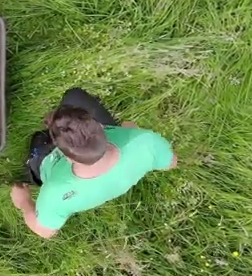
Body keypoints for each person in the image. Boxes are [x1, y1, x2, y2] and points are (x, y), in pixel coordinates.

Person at [9, 88, 177, 238]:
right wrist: (131, 132)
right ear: (100, 127)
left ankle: (38, 158)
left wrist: (24, 202)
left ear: (67, 157)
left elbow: (44, 231)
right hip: (121, 141)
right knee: (74, 95)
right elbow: (172, 162)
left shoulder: (56, 193)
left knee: (38, 141)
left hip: (48, 165)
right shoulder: (145, 142)